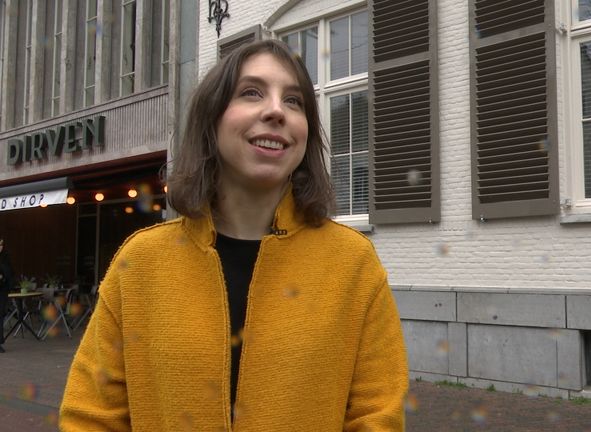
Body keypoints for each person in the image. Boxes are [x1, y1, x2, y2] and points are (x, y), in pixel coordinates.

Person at [59, 40, 408, 431]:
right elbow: (90, 416)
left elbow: (377, 417)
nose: (276, 110)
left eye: (294, 102)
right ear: (212, 120)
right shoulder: (140, 263)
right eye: (251, 92)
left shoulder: (352, 263)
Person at [0, 238, 14, 353]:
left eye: (1, 244)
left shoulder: (5, 257)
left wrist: (3, 277)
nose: (0, 247)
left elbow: (10, 273)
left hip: (2, 290)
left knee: (0, 315)